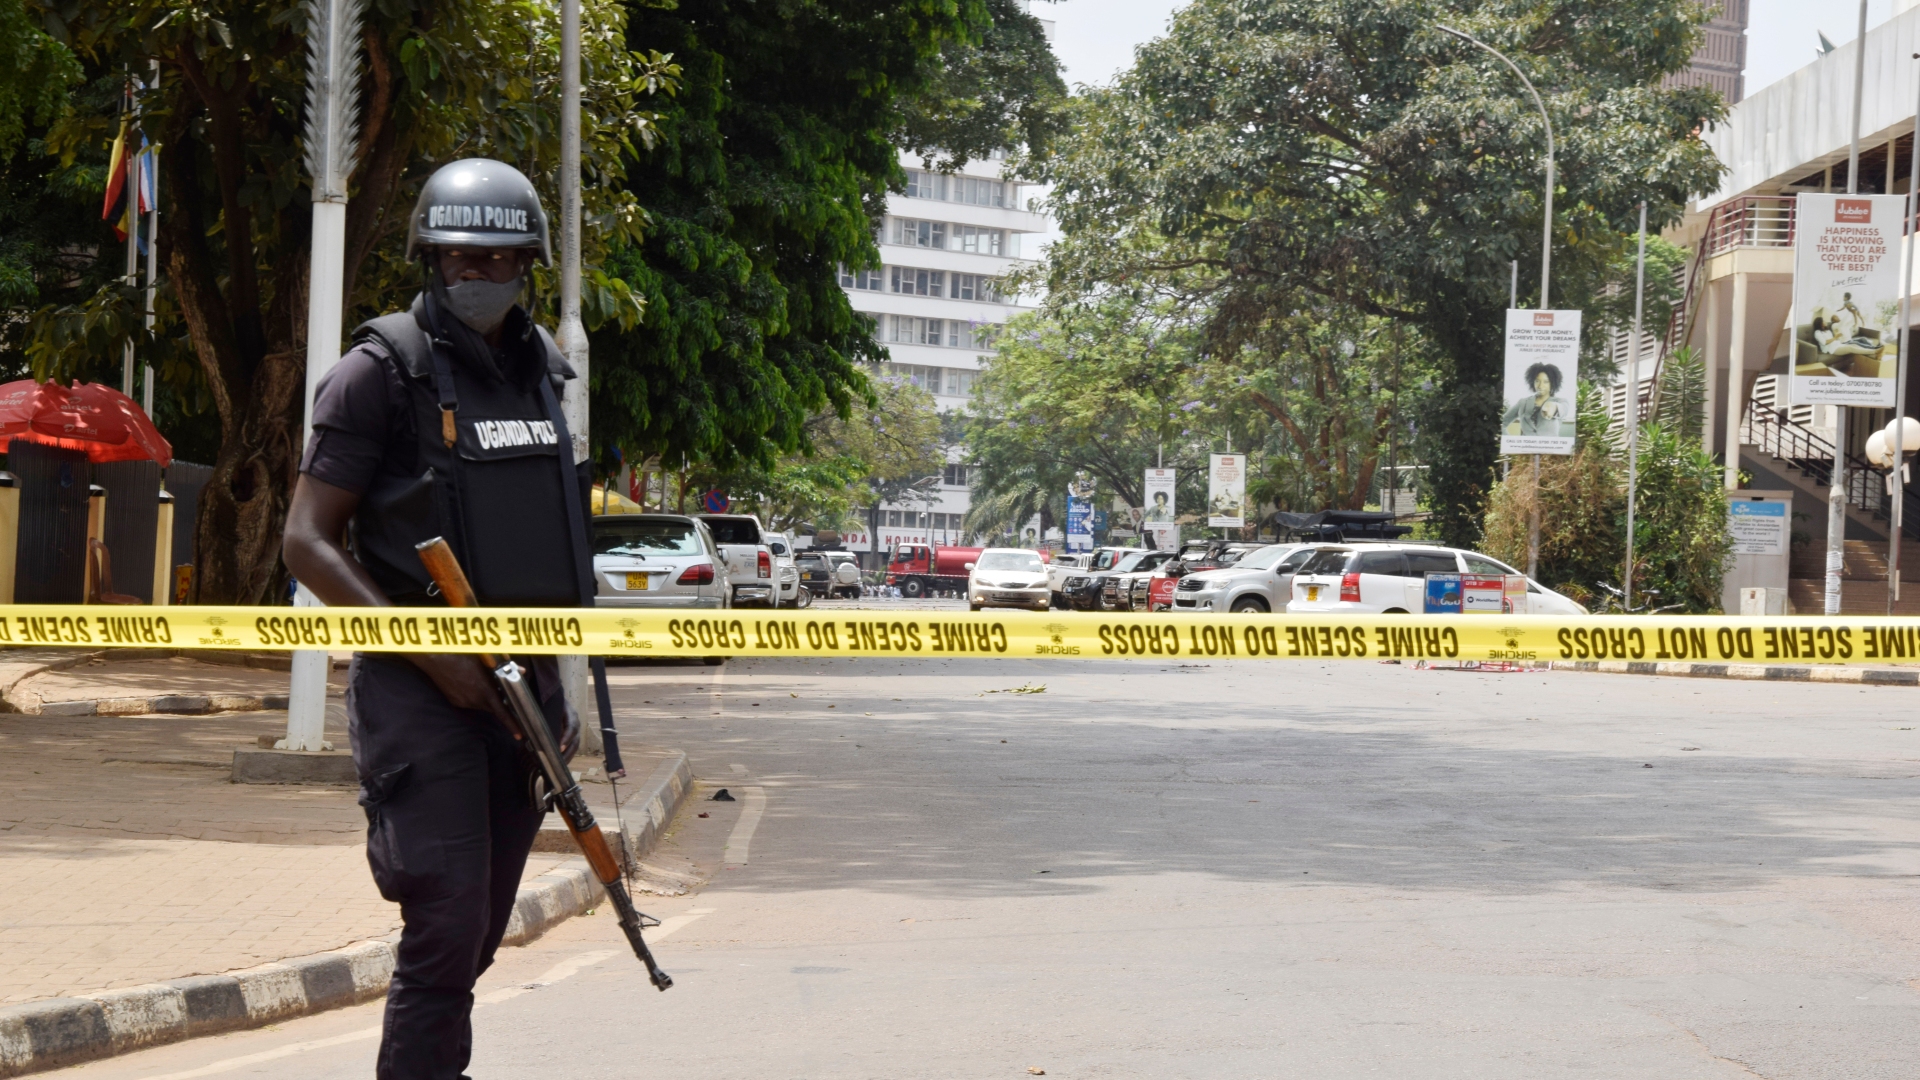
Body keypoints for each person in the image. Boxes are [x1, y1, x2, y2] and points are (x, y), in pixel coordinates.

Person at [281, 159, 592, 1080]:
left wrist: (550, 686)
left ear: (528, 264)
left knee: (477, 935)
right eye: (461, 256)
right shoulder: (376, 374)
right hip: (420, 694)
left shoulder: (541, 374)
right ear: (428, 256)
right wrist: (432, 655)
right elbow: (306, 542)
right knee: (446, 919)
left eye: (500, 260)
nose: (480, 276)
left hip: (516, 691)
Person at [1502, 362, 1570, 437]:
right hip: (1526, 447)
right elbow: (1502, 422)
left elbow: (1564, 409)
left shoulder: (1561, 401)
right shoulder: (1523, 402)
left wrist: (1553, 407)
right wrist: (1509, 441)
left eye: (1546, 382)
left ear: (1553, 383)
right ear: (1532, 382)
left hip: (1550, 447)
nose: (1540, 386)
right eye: (1537, 381)